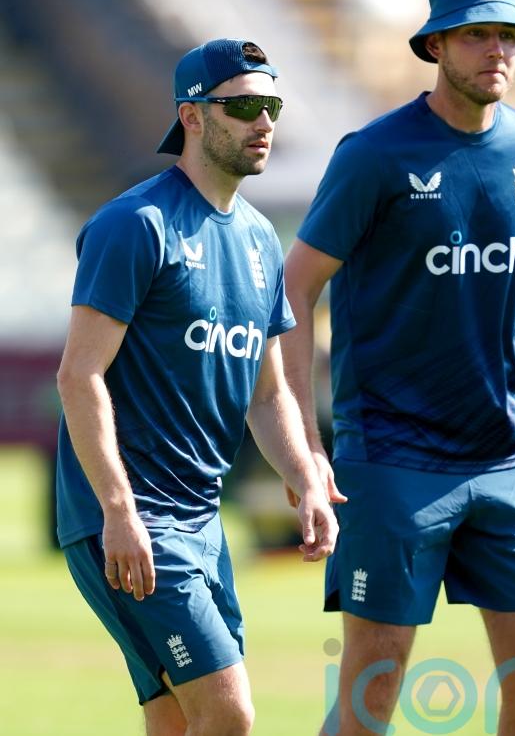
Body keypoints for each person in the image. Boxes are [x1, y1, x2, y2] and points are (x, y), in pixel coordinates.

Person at [281, 0, 515, 736]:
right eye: (477, 34)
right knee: (375, 684)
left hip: (507, 453)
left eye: (508, 36)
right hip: (392, 455)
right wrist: (306, 442)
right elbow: (295, 288)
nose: (496, 50)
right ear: (436, 44)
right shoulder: (374, 153)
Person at [56, 38, 338, 736]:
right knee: (228, 712)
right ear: (191, 116)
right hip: (130, 519)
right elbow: (78, 374)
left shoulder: (260, 240)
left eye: (270, 105)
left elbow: (267, 394)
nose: (263, 121)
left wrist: (304, 475)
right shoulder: (134, 225)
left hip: (201, 521)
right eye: (243, 106)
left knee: (178, 722)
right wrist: (119, 510)